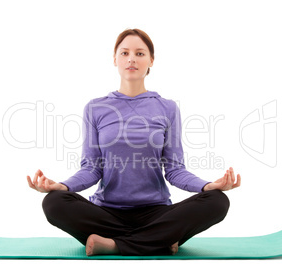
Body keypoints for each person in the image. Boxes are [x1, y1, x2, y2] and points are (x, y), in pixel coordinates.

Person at [27, 28, 241, 256]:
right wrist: (62, 186)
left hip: (156, 212)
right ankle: (158, 240)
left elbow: (175, 170)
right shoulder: (95, 108)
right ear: (115, 59)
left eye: (140, 53)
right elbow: (92, 168)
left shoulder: (167, 108)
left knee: (217, 201)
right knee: (54, 202)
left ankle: (114, 244)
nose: (131, 59)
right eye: (125, 53)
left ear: (151, 61)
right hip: (106, 213)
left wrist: (208, 186)